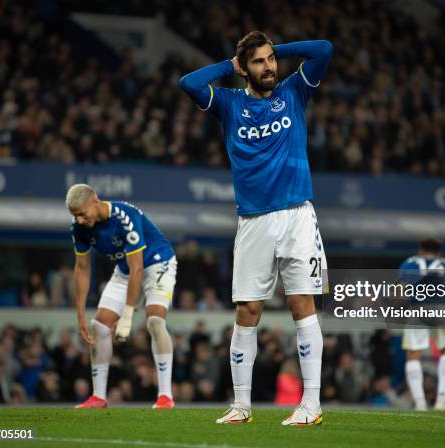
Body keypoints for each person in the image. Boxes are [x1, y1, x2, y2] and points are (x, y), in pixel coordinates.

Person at [180, 31, 332, 426]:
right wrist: (228, 66)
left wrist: (277, 49)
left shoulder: (294, 90)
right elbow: (189, 83)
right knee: (247, 310)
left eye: (271, 60)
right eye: (260, 61)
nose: (269, 67)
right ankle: (241, 406)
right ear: (244, 69)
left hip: (298, 215)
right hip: (252, 221)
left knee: (303, 305)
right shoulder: (229, 104)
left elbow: (324, 50)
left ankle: (311, 405)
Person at [67, 184, 176, 409]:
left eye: (82, 214)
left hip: (157, 263)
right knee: (99, 326)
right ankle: (98, 397)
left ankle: (165, 396)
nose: (79, 220)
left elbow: (138, 268)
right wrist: (80, 316)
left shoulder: (125, 216)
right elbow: (82, 269)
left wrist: (127, 316)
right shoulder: (79, 228)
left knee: (155, 320)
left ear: (95, 201)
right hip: (125, 270)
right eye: (75, 215)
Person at [399, 237, 445, 411]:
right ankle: (441, 401)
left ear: (421, 249)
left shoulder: (409, 263)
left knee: (414, 354)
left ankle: (420, 403)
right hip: (442, 308)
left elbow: (401, 290)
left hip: (419, 307)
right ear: (438, 251)